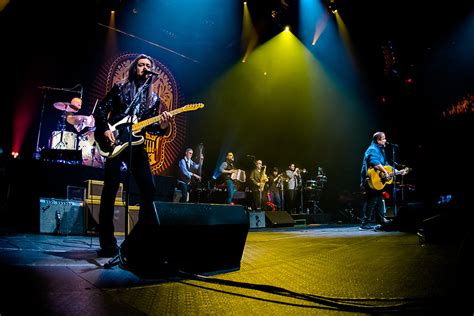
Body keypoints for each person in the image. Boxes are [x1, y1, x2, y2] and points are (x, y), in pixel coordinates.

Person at [93, 54, 173, 257]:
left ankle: (141, 239)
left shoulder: (153, 99)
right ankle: (107, 243)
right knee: (110, 188)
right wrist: (105, 129)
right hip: (115, 141)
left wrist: (163, 125)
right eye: (141, 65)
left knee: (149, 187)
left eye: (148, 65)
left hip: (136, 145)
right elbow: (101, 110)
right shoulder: (120, 87)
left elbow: (153, 128)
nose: (145, 68)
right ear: (134, 68)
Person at [359, 131, 406, 231]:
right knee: (372, 200)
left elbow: (385, 164)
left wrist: (397, 171)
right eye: (383, 138)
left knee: (379, 200)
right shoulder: (372, 149)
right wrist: (385, 172)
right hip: (370, 179)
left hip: (377, 180)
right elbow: (375, 163)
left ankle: (381, 220)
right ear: (378, 140)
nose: (385, 140)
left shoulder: (381, 150)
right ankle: (365, 223)